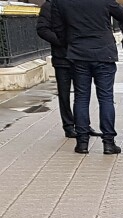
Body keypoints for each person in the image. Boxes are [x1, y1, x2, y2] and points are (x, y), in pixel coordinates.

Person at [50, 0, 123, 154]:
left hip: (78, 54)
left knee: (81, 97)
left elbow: (58, 29)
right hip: (103, 53)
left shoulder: (60, 2)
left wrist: (73, 41)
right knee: (106, 98)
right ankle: (108, 142)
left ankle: (82, 142)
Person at [35, 0, 98, 138]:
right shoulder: (50, 4)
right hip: (61, 57)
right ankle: (68, 126)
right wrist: (60, 41)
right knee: (64, 94)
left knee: (82, 93)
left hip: (79, 55)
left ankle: (83, 125)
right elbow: (42, 28)